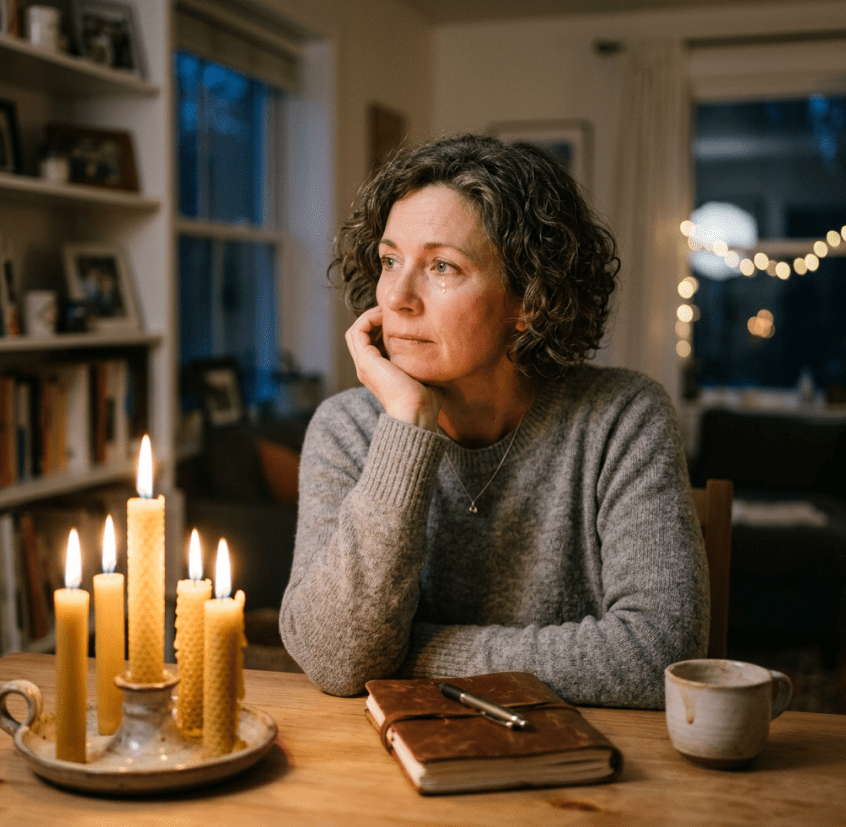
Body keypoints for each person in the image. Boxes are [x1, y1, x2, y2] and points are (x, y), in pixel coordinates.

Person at [279, 133, 709, 708]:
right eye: (389, 260)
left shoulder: (622, 419)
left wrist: (407, 655)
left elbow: (660, 654)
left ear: (528, 299)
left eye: (442, 266)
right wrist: (407, 424)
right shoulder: (346, 428)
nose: (398, 297)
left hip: (581, 773)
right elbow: (336, 660)